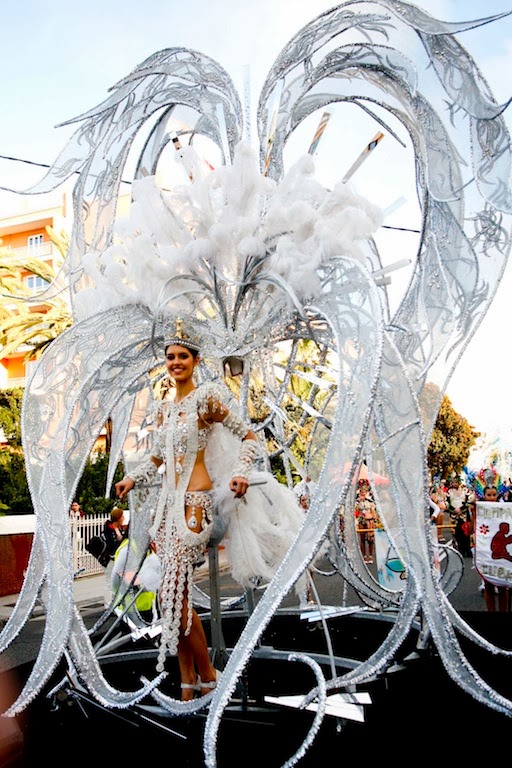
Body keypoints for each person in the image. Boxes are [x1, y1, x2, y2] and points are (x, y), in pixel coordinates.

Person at [115, 322, 305, 700]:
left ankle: (209, 674)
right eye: (170, 357)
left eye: (183, 356)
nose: (175, 362)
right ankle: (190, 685)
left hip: (195, 506)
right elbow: (157, 456)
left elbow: (248, 436)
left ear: (196, 360)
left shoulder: (208, 399)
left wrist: (240, 474)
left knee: (174, 597)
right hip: (166, 510)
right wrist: (134, 479)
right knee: (174, 598)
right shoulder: (166, 410)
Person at [479, 485, 510, 611]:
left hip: (501, 554)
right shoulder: (479, 510)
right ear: (484, 496)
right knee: (488, 585)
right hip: (485, 551)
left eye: (494, 495)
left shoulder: (504, 510)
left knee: (503, 585)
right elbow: (471, 529)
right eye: (489, 495)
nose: (491, 498)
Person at [103, 507, 128, 607]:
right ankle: (108, 604)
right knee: (109, 582)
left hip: (117, 559)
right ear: (117, 517)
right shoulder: (109, 529)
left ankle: (115, 602)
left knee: (117, 582)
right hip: (109, 559)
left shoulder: (119, 528)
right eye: (122, 516)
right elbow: (111, 545)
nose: (123, 518)